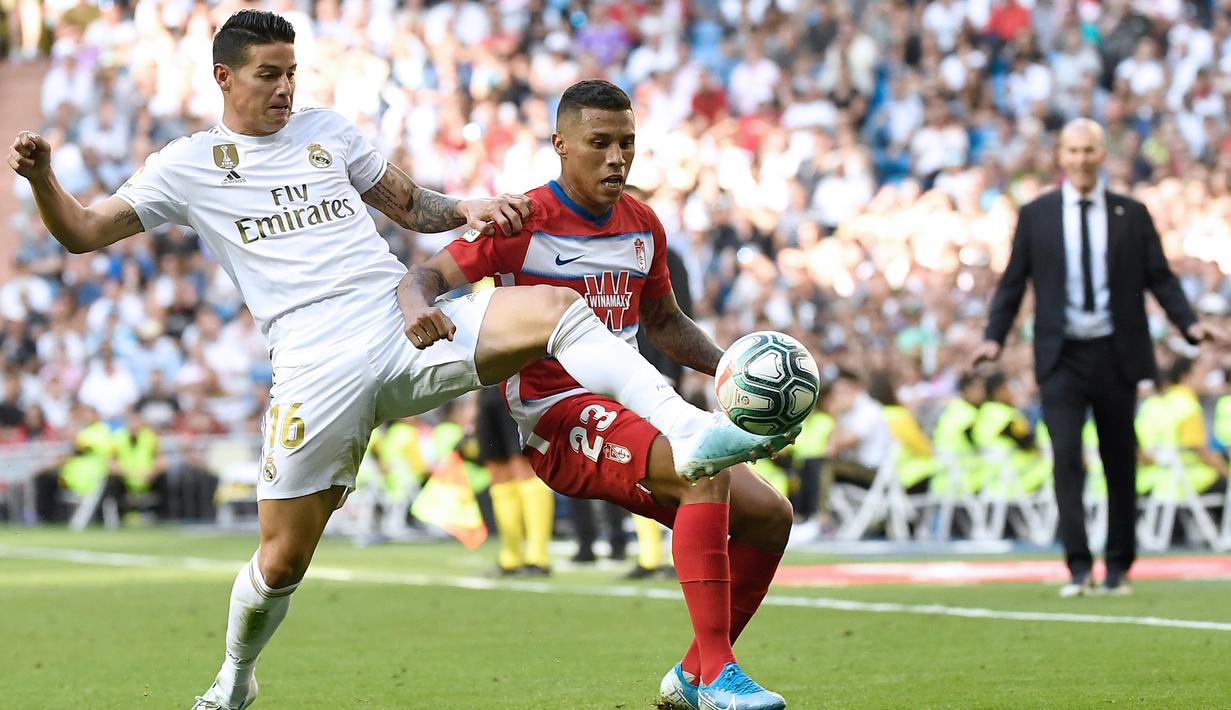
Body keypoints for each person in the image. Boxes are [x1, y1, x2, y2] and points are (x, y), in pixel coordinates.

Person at [6, 13, 792, 710]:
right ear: (224, 77)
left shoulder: (327, 131)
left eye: (291, 73)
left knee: (556, 309)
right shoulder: (186, 164)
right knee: (281, 561)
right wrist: (45, 179)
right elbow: (81, 231)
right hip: (313, 361)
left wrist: (471, 208)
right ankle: (235, 677)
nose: (284, 89)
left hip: (398, 322)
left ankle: (687, 431)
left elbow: (412, 206)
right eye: (268, 76)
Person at [407, 80, 795, 710]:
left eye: (627, 143)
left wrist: (737, 379)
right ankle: (720, 675)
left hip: (639, 412)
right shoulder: (520, 219)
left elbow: (665, 325)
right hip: (558, 417)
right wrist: (415, 306)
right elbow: (427, 273)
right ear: (561, 145)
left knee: (771, 518)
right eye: (600, 143)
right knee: (703, 462)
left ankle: (694, 675)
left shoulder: (643, 224)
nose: (618, 158)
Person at [971, 118, 1224, 597]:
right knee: (1066, 455)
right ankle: (1078, 567)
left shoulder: (1132, 213)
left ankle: (1119, 566)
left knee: (1119, 460)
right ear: (1060, 157)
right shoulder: (1036, 215)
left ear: (1102, 154)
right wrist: (993, 338)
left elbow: (1161, 278)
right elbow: (1012, 283)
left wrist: (1189, 325)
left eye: (1089, 150)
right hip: (1061, 355)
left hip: (1115, 353)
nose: (1081, 159)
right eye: (1072, 150)